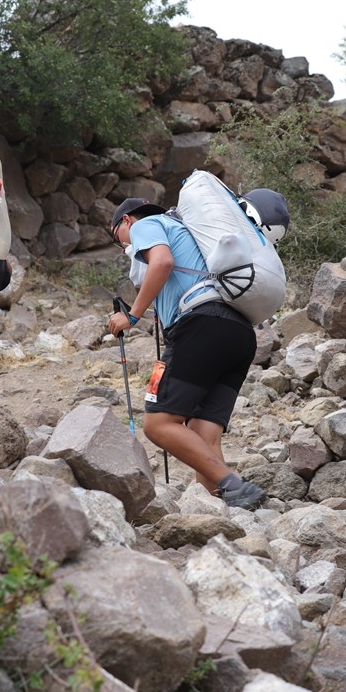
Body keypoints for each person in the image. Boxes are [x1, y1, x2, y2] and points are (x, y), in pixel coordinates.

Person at [107, 197, 265, 510]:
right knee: (201, 430)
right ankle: (214, 512)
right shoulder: (186, 233)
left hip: (199, 328)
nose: (123, 247)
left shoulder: (147, 225)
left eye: (117, 239)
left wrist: (132, 316)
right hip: (238, 333)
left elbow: (162, 262)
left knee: (158, 423)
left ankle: (233, 484)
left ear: (126, 221)